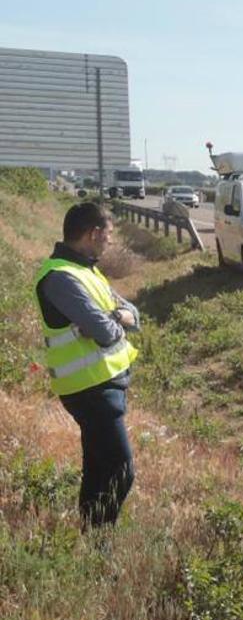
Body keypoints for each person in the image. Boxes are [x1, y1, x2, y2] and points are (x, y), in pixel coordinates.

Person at [33, 202, 139, 528]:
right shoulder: (61, 278)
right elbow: (107, 333)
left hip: (103, 384)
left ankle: (92, 540)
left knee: (97, 467)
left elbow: (133, 313)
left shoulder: (85, 270)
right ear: (93, 234)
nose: (110, 241)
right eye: (108, 234)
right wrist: (116, 320)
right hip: (90, 388)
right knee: (121, 468)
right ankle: (100, 537)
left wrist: (117, 316)